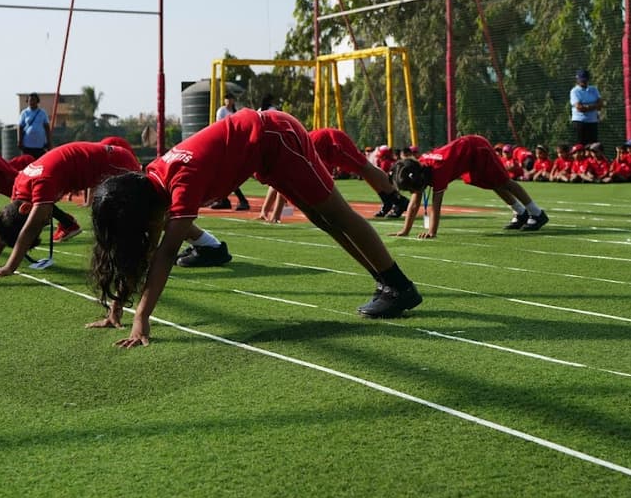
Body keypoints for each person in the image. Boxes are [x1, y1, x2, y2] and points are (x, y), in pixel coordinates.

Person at [85, 109, 424, 347]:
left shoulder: (180, 184)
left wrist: (141, 318)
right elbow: (145, 247)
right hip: (264, 152)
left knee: (338, 215)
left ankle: (399, 286)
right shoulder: (153, 183)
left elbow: (164, 254)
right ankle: (387, 284)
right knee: (324, 221)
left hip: (277, 136)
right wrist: (118, 308)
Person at [0, 141, 142, 278]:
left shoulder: (41, 182)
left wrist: (9, 267)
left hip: (118, 164)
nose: (46, 222)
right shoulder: (20, 185)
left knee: (124, 229)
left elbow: (30, 228)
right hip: (110, 161)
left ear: (26, 209)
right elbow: (5, 223)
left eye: (43, 226)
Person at [391, 134, 549, 238]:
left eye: (410, 189)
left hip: (477, 148)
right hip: (468, 157)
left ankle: (537, 213)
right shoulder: (421, 169)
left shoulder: (438, 170)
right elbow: (414, 204)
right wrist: (405, 230)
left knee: (504, 181)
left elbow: (436, 205)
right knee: (492, 183)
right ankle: (520, 212)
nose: (412, 192)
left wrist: (431, 232)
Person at [261, 127, 410, 222]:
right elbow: (276, 184)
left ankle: (398, 200)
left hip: (332, 142)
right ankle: (387, 200)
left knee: (364, 168)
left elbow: (282, 185)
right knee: (361, 170)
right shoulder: (280, 156)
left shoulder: (284, 154)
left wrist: (275, 216)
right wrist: (265, 211)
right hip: (324, 151)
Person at [209, 93, 251, 211]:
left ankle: (240, 200)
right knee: (223, 174)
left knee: (228, 174)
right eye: (226, 99)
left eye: (230, 99)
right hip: (225, 143)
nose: (228, 101)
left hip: (233, 145)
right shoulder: (222, 111)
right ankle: (225, 200)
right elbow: (221, 126)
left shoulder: (235, 112)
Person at [570, 68, 604, 145]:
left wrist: (587, 107)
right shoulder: (574, 91)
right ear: (577, 79)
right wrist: (595, 106)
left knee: (593, 146)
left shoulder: (594, 89)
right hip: (580, 122)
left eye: (585, 79)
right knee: (581, 146)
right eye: (581, 80)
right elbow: (580, 108)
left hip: (593, 121)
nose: (583, 82)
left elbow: (601, 104)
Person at [17, 92, 51, 158]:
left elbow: (47, 127)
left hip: (40, 145)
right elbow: (20, 127)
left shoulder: (42, 113)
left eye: (33, 100)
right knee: (27, 162)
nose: (31, 102)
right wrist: (19, 141)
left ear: (37, 101)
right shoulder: (24, 113)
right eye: (30, 100)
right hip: (27, 145)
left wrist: (49, 141)